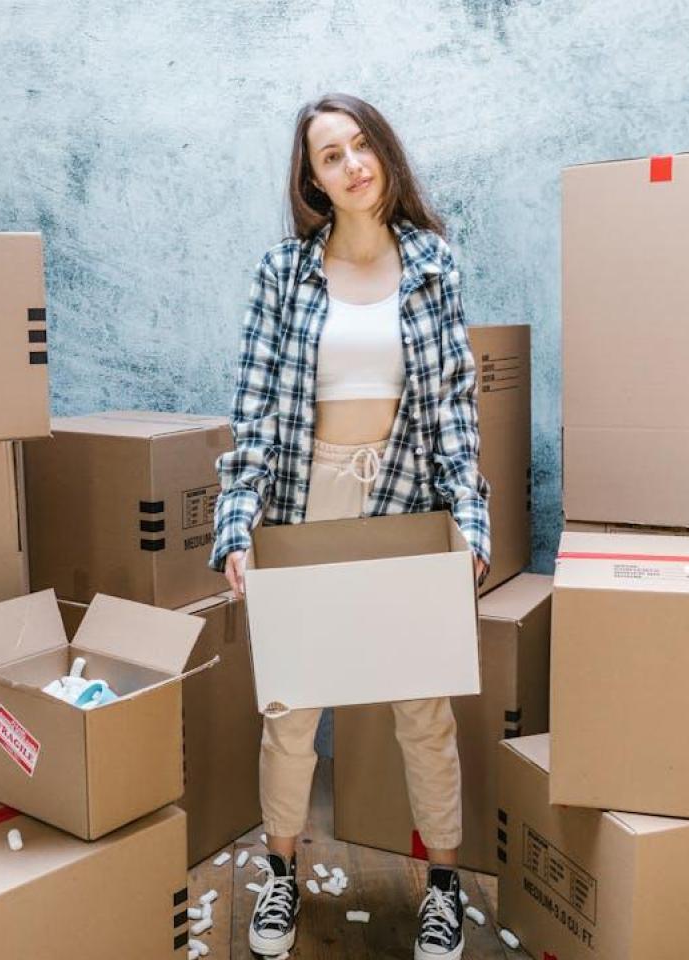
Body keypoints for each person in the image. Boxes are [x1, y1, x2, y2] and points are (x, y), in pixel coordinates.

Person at [208, 92, 490, 960]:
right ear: (314, 180)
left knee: (422, 705)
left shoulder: (434, 266)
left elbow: (453, 411)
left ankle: (441, 885)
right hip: (306, 508)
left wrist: (470, 526)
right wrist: (238, 526)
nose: (352, 164)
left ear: (385, 154)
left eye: (361, 145)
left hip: (405, 504)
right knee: (292, 709)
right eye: (331, 156)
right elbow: (251, 413)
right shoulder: (281, 273)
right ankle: (282, 876)